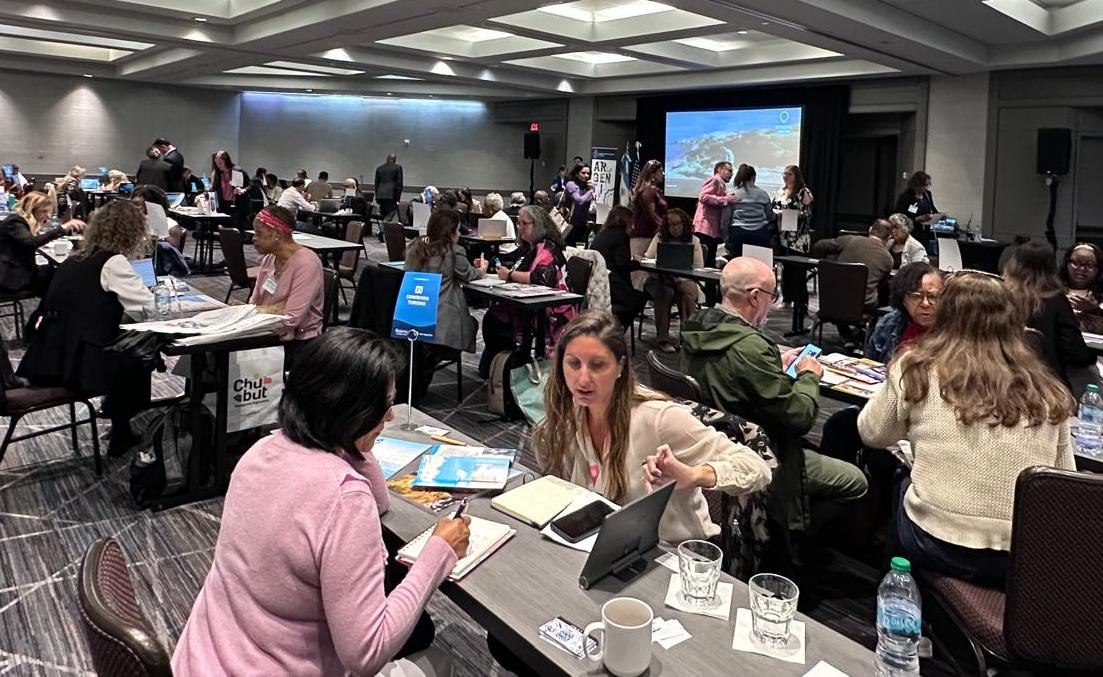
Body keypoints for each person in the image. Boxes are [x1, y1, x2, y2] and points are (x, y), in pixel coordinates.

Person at [173, 329, 468, 676]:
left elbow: (380, 501)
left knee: (417, 631)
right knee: (439, 662)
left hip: (201, 659)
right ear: (352, 409)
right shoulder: (344, 500)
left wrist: (352, 439)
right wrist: (438, 552)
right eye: (385, 405)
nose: (389, 418)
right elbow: (367, 653)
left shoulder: (260, 451)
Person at [858, 271, 1075, 586]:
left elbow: (872, 433)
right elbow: (1064, 480)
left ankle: (895, 593)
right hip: (1020, 553)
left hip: (935, 540)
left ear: (945, 315)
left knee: (902, 482)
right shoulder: (1048, 390)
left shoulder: (916, 367)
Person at [533, 310, 772, 543]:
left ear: (620, 367)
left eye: (597, 365)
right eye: (574, 364)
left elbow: (757, 468)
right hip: (613, 542)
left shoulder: (659, 418)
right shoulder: (572, 412)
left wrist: (693, 475)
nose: (583, 379)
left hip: (673, 552)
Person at [680, 257, 869, 541]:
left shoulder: (698, 326)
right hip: (763, 453)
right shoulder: (751, 347)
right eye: (773, 295)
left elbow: (730, 374)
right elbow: (800, 417)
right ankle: (790, 539)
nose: (773, 302)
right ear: (755, 297)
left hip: (713, 439)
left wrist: (772, 367)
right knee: (856, 481)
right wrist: (808, 376)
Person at [18, 200, 155, 456]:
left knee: (126, 349)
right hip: (80, 367)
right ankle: (121, 429)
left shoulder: (75, 259)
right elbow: (147, 308)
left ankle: (118, 419)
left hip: (48, 357)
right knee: (139, 355)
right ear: (132, 232)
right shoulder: (113, 262)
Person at [480, 206, 575, 373]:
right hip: (532, 303)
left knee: (496, 319)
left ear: (538, 225)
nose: (520, 227)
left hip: (551, 310)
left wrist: (510, 275)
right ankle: (499, 368)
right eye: (519, 223)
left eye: (525, 223)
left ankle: (507, 368)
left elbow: (540, 277)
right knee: (493, 316)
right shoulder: (529, 247)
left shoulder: (547, 248)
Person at [1003, 241, 1095, 389]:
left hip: (1003, 380)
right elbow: (1076, 354)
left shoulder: (999, 297)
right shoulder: (1056, 301)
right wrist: (1091, 357)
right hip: (1047, 386)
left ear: (1013, 265)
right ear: (1053, 268)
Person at [249, 206, 324, 369]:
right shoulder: (269, 259)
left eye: (258, 233)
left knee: (232, 359)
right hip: (268, 333)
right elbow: (254, 303)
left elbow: (290, 319)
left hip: (299, 344)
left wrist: (254, 318)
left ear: (277, 234)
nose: (254, 238)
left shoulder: (306, 264)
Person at [0, 192, 85, 295]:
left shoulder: (19, 221)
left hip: (18, 271)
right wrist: (62, 228)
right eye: (43, 211)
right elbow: (30, 242)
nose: (47, 215)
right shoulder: (14, 221)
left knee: (57, 274)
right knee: (61, 279)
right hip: (11, 278)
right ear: (31, 209)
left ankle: (50, 304)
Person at [644, 208, 702, 353]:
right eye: (671, 225)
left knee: (687, 294)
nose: (675, 228)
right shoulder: (660, 237)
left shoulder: (694, 241)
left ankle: (687, 338)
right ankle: (662, 339)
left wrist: (679, 279)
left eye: (678, 224)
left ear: (684, 224)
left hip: (683, 280)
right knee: (665, 292)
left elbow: (698, 267)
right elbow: (648, 258)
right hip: (658, 279)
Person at [865, 263, 943, 363]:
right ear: (903, 299)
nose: (925, 304)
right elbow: (869, 366)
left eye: (933, 296)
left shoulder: (954, 330)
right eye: (916, 296)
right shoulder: (888, 324)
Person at [810, 219, 894, 311]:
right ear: (889, 237)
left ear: (870, 229)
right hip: (862, 309)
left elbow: (819, 245)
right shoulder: (888, 259)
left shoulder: (849, 240)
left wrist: (831, 259)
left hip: (832, 302)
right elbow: (880, 286)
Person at [590, 206, 646, 332]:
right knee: (641, 296)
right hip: (614, 289)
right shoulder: (621, 236)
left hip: (598, 287)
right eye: (631, 222)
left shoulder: (601, 235)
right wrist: (636, 262)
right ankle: (617, 329)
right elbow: (622, 265)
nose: (633, 227)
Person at [692, 161, 738, 268]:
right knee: (706, 262)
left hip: (710, 229)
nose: (732, 174)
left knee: (709, 261)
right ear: (719, 169)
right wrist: (726, 199)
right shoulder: (714, 180)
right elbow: (703, 197)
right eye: (729, 170)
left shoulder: (720, 183)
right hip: (705, 228)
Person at [724, 164, 774, 257]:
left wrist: (725, 236)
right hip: (760, 233)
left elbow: (726, 218)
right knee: (759, 262)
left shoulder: (733, 194)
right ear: (753, 177)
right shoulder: (763, 193)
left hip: (739, 233)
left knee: (738, 262)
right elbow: (770, 215)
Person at [1060, 242, 1103, 331]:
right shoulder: (1051, 289)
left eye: (1089, 265)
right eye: (1076, 263)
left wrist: (1095, 310)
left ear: (1098, 269)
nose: (1081, 269)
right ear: (1066, 264)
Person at [893, 171, 942, 241]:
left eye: (927, 185)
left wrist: (940, 215)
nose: (926, 188)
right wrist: (916, 219)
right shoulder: (906, 197)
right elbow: (899, 217)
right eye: (924, 185)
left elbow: (933, 209)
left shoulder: (927, 194)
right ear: (917, 184)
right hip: (911, 233)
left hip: (925, 233)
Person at [210, 150, 249, 228]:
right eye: (216, 163)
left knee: (236, 228)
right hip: (223, 205)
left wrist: (242, 190)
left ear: (226, 161)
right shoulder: (217, 174)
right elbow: (213, 190)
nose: (218, 165)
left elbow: (249, 186)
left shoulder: (236, 170)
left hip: (237, 205)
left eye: (220, 163)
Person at [562, 164, 595, 246]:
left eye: (588, 173)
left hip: (583, 224)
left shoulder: (586, 186)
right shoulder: (571, 184)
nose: (586, 175)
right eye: (583, 173)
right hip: (571, 223)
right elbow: (579, 201)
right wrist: (591, 191)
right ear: (576, 173)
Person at [375, 153, 404, 222]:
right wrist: (398, 198)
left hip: (380, 195)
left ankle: (383, 227)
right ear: (395, 160)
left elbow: (376, 184)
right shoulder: (397, 168)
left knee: (383, 214)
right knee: (390, 213)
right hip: (391, 195)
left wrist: (377, 196)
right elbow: (399, 184)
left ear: (387, 159)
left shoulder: (379, 168)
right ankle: (385, 226)